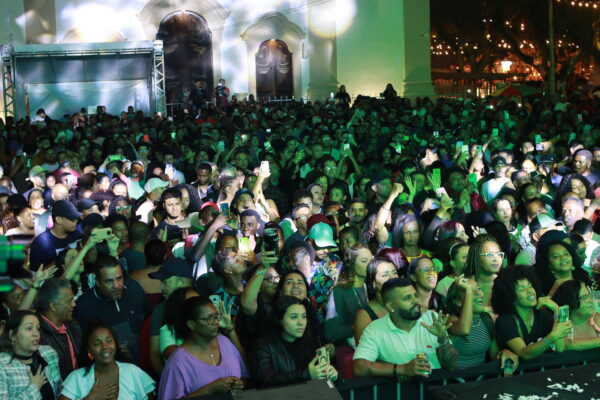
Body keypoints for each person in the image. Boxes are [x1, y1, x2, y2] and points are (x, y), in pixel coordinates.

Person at [353, 278, 458, 378]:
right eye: (407, 298)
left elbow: (451, 366)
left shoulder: (432, 318)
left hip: (434, 389)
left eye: (415, 295)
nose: (416, 301)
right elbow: (359, 367)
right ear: (390, 306)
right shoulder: (375, 329)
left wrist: (443, 340)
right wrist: (402, 369)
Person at [158, 296, 247, 399]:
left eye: (216, 316)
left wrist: (239, 384)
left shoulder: (224, 342)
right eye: (209, 318)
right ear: (191, 324)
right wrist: (209, 390)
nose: (215, 322)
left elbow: (244, 376)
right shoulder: (178, 362)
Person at [74, 255, 149, 363]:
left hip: (142, 365)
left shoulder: (134, 289)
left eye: (119, 278)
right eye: (109, 281)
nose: (116, 285)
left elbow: (148, 321)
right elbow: (83, 348)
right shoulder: (83, 306)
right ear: (98, 282)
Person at [250, 296, 338, 388]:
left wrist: (334, 374)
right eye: (294, 317)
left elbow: (322, 371)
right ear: (280, 320)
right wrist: (306, 374)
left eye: (304, 317)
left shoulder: (310, 341)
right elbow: (265, 379)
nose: (301, 322)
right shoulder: (263, 345)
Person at [491, 266, 571, 360]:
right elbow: (524, 353)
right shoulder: (506, 321)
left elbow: (560, 348)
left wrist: (556, 309)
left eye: (530, 285)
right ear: (510, 296)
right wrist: (552, 337)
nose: (530, 291)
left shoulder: (543, 314)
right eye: (522, 289)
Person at [59, 324, 155, 400]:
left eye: (109, 341)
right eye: (97, 343)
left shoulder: (133, 372)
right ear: (89, 350)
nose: (105, 346)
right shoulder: (76, 378)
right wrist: (90, 398)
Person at [445, 277, 518, 370]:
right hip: (457, 380)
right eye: (472, 291)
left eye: (478, 289)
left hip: (481, 379)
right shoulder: (451, 320)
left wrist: (504, 353)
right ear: (459, 302)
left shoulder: (485, 319)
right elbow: (464, 330)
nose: (479, 293)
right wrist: (468, 291)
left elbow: (493, 355)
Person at [0, 310, 62, 399]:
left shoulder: (48, 353)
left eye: (38, 328)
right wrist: (34, 388)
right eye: (29, 328)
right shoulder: (3, 365)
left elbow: (59, 389)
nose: (36, 334)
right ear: (12, 335)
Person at [37, 278, 82, 380]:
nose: (74, 304)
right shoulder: (37, 335)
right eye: (69, 301)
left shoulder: (73, 325)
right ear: (53, 306)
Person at [353, 258, 399, 343]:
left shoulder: (403, 304)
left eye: (394, 273)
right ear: (373, 283)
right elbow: (364, 353)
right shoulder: (364, 315)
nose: (393, 278)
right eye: (385, 275)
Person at [30, 200, 83, 271]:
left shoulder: (76, 235)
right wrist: (59, 261)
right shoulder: (40, 243)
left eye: (76, 219)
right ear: (58, 220)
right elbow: (36, 274)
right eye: (72, 219)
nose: (76, 221)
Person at [552, 279, 600, 350]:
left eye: (589, 295)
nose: (590, 300)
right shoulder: (563, 325)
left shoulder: (596, 319)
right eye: (584, 297)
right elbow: (566, 345)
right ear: (570, 301)